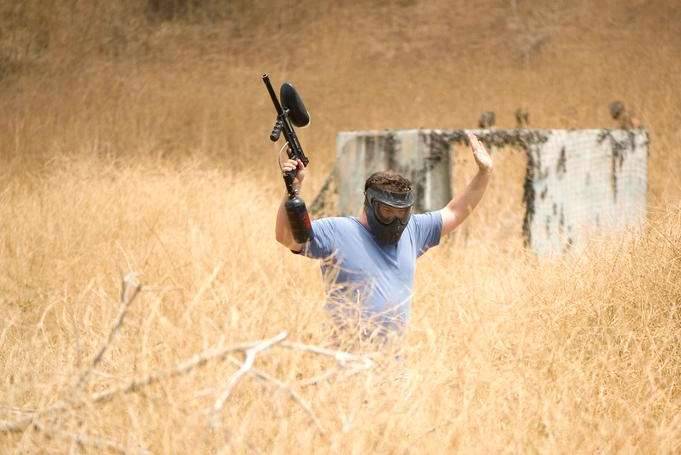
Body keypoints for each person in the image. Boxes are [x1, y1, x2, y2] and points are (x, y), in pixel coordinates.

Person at [275, 131, 493, 341]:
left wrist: (484, 173)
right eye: (388, 212)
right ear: (370, 204)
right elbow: (286, 237)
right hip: (346, 363)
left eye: (402, 213)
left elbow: (455, 211)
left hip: (394, 367)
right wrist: (292, 188)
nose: (396, 221)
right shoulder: (337, 231)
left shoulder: (413, 230)